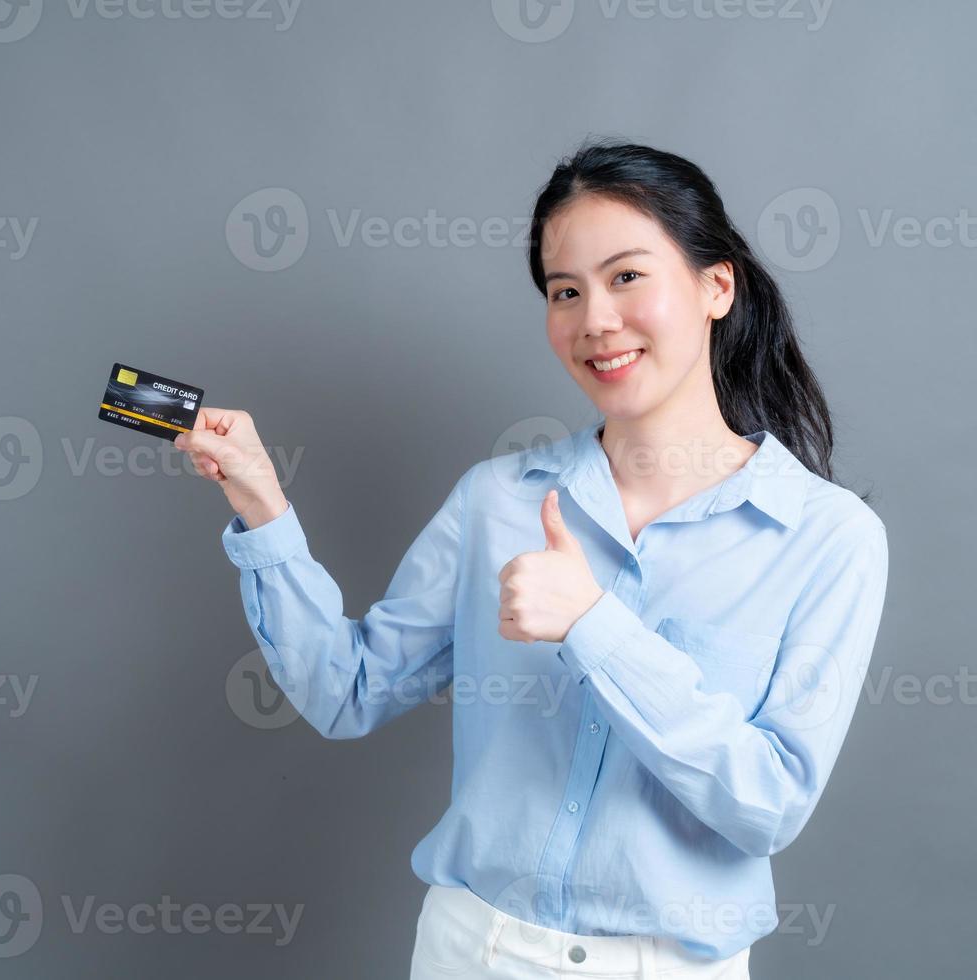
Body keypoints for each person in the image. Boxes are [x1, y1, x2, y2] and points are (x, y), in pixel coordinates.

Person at [173, 139, 889, 980]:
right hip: (471, 952)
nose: (595, 321)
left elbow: (766, 803)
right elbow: (347, 691)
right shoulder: (496, 500)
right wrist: (263, 504)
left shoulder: (825, 536)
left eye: (627, 277)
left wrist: (594, 624)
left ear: (715, 286)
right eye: (565, 291)